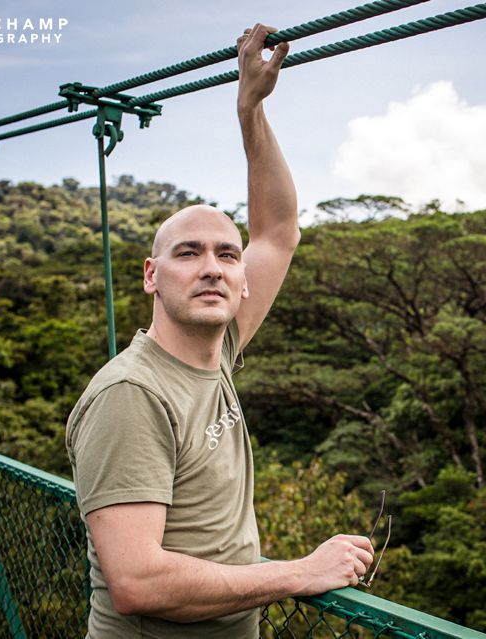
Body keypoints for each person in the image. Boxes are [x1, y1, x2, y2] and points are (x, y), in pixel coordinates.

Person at [65, 24, 374, 638]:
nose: (211, 267)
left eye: (226, 256)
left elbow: (278, 231)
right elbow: (136, 582)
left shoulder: (219, 349)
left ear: (242, 283)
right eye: (188, 253)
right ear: (152, 275)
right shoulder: (133, 394)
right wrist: (295, 573)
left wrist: (251, 110)